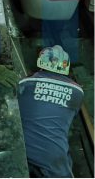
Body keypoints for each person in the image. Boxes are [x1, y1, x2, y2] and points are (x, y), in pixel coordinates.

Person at [17, 45, 84, 177]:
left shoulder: (24, 83)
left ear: (40, 62)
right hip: (55, 155)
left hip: (24, 150)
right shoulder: (78, 92)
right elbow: (70, 115)